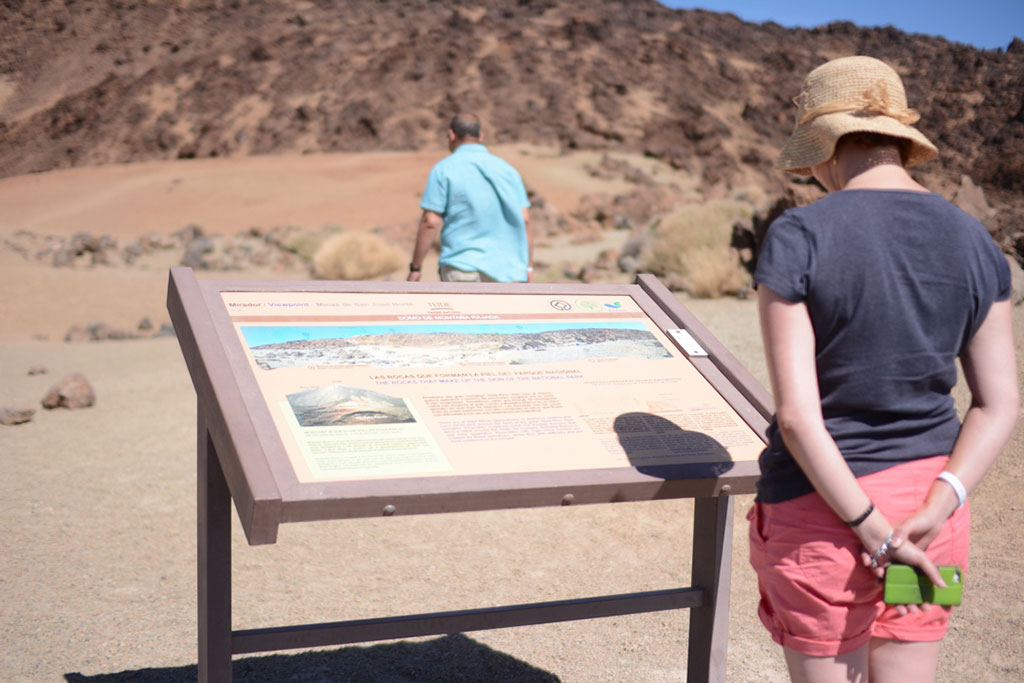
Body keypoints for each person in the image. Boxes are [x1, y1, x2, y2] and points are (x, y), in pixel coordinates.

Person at [747, 55, 1018, 682]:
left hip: (822, 511)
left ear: (826, 147)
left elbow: (797, 417)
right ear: (899, 141)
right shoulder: (974, 239)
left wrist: (870, 529)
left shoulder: (799, 234)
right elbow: (999, 403)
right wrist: (940, 503)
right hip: (931, 510)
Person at [407, 112, 533, 282]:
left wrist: (416, 267)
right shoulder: (508, 171)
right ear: (481, 135)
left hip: (461, 268)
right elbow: (525, 220)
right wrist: (528, 267)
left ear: (451, 135)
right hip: (507, 273)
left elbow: (430, 222)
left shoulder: (443, 169)